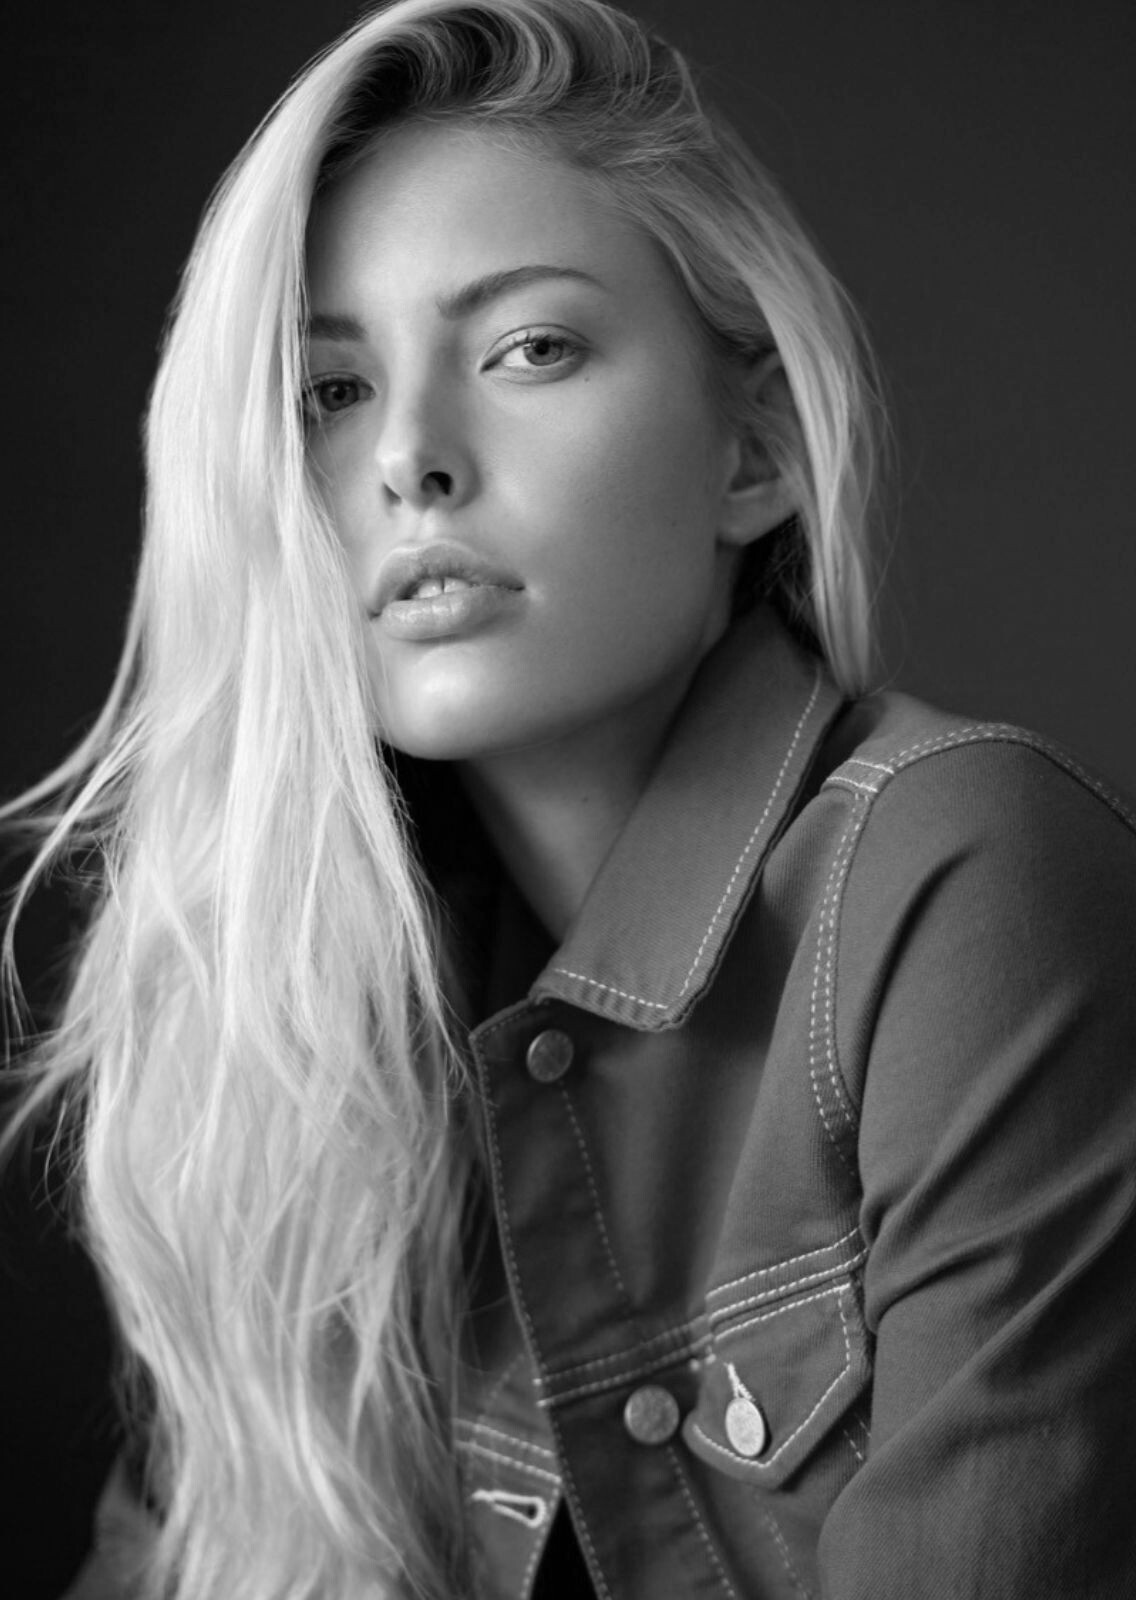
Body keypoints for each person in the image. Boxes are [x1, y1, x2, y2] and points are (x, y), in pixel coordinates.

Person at [3, 0, 1135, 1596]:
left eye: (528, 348)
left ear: (754, 449)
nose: (410, 458)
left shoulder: (960, 878)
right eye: (329, 391)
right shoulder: (293, 1028)